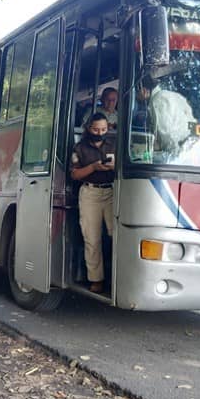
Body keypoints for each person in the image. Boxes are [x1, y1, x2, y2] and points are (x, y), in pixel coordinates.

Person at [70, 113, 115, 294]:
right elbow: (74, 174)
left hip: (112, 191)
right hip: (90, 193)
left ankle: (117, 276)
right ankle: (96, 280)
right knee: (92, 238)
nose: (100, 133)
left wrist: (114, 166)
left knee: (118, 235)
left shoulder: (114, 143)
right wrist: (93, 167)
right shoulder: (79, 148)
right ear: (89, 128)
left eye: (103, 129)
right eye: (96, 129)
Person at [137, 74, 196, 156]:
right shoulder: (174, 95)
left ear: (144, 91)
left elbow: (166, 136)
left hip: (178, 151)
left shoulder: (156, 102)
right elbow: (192, 122)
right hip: (190, 145)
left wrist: (173, 156)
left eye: (137, 94)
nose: (136, 98)